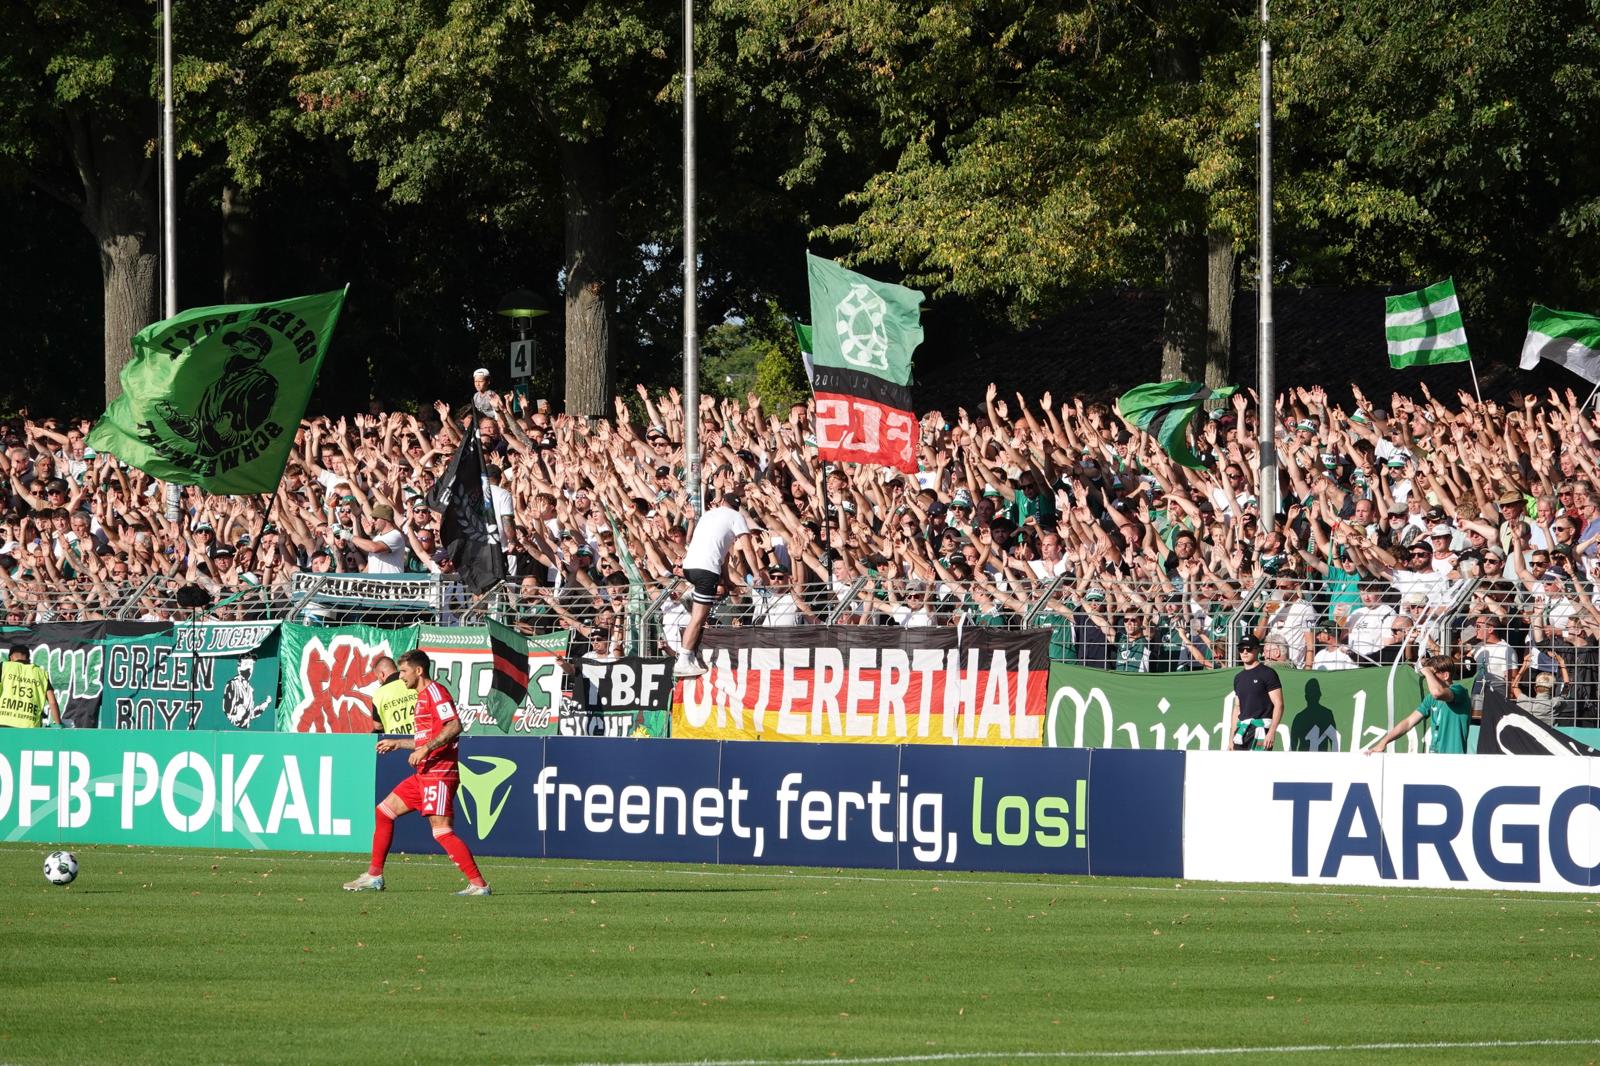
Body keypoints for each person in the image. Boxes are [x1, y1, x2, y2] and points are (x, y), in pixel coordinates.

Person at [344, 650, 490, 896]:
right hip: (425, 773)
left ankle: (479, 885)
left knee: (441, 830)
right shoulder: (421, 697)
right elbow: (426, 737)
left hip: (439, 772)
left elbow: (454, 725)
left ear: (418, 671)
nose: (400, 677)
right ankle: (374, 876)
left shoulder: (435, 692)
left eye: (403, 671)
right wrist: (399, 743)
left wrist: (426, 749)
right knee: (384, 812)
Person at [674, 484, 764, 678]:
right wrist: (756, 574)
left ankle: (693, 595)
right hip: (706, 571)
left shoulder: (708, 515)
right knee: (699, 618)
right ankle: (684, 659)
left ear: (722, 501)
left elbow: (721, 555)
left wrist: (724, 578)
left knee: (699, 610)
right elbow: (748, 549)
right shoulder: (737, 517)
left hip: (690, 567)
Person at [1365, 654, 1473, 754]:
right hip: (1435, 756)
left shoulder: (1459, 691)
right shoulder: (1430, 698)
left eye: (1432, 674)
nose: (1427, 678)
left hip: (1454, 759)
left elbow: (1437, 692)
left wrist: (1426, 671)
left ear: (1445, 675)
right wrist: (1383, 742)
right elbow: (1408, 722)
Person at [1228, 636, 1283, 750]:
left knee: (1258, 767)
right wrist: (1231, 738)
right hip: (1242, 730)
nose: (1244, 652)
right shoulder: (1238, 678)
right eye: (1241, 649)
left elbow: (1279, 704)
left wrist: (1272, 732)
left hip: (1261, 730)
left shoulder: (1268, 673)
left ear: (1257, 649)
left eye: (1248, 649)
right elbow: (1237, 708)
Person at [0, 645, 62, 728]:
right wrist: (58, 724)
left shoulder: (4, 666)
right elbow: (52, 702)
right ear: (28, 659)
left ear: (11, 658)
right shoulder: (41, 673)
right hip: (30, 727)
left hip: (3, 724)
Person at [370, 654, 417, 735]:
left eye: (377, 677)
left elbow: (378, 726)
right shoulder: (413, 683)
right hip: (421, 739)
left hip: (395, 742)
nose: (379, 681)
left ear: (381, 674)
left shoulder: (379, 694)